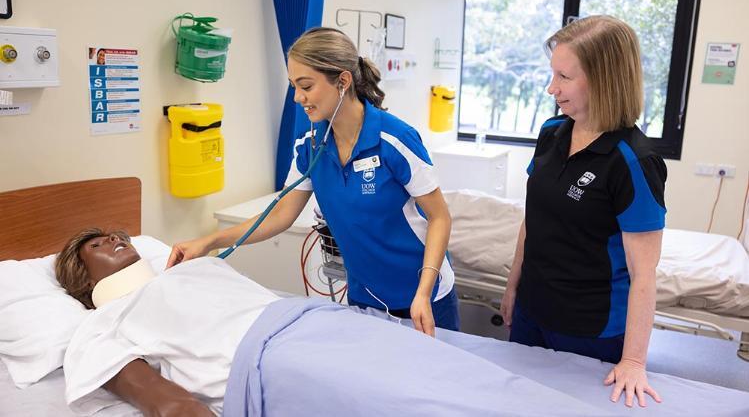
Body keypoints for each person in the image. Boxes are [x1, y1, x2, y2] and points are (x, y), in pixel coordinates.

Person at [55, 228, 611, 417]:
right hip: (277, 356)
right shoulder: (103, 324)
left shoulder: (192, 271)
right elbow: (166, 403)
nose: (114, 237)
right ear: (84, 279)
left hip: (315, 319)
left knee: (450, 371)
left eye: (116, 233)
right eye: (95, 244)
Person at [167, 27, 458, 335]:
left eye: (306, 85)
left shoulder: (394, 139)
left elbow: (440, 217)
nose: (298, 97)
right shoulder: (310, 147)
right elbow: (280, 216)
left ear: (343, 81)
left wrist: (424, 292)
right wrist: (209, 241)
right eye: (294, 86)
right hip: (365, 296)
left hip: (424, 295)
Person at [499, 15, 667, 408]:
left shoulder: (633, 160)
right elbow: (534, 217)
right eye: (551, 73)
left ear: (604, 79)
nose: (551, 87)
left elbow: (645, 274)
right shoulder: (551, 133)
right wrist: (512, 286)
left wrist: (633, 360)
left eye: (564, 77)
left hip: (590, 328)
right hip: (531, 310)